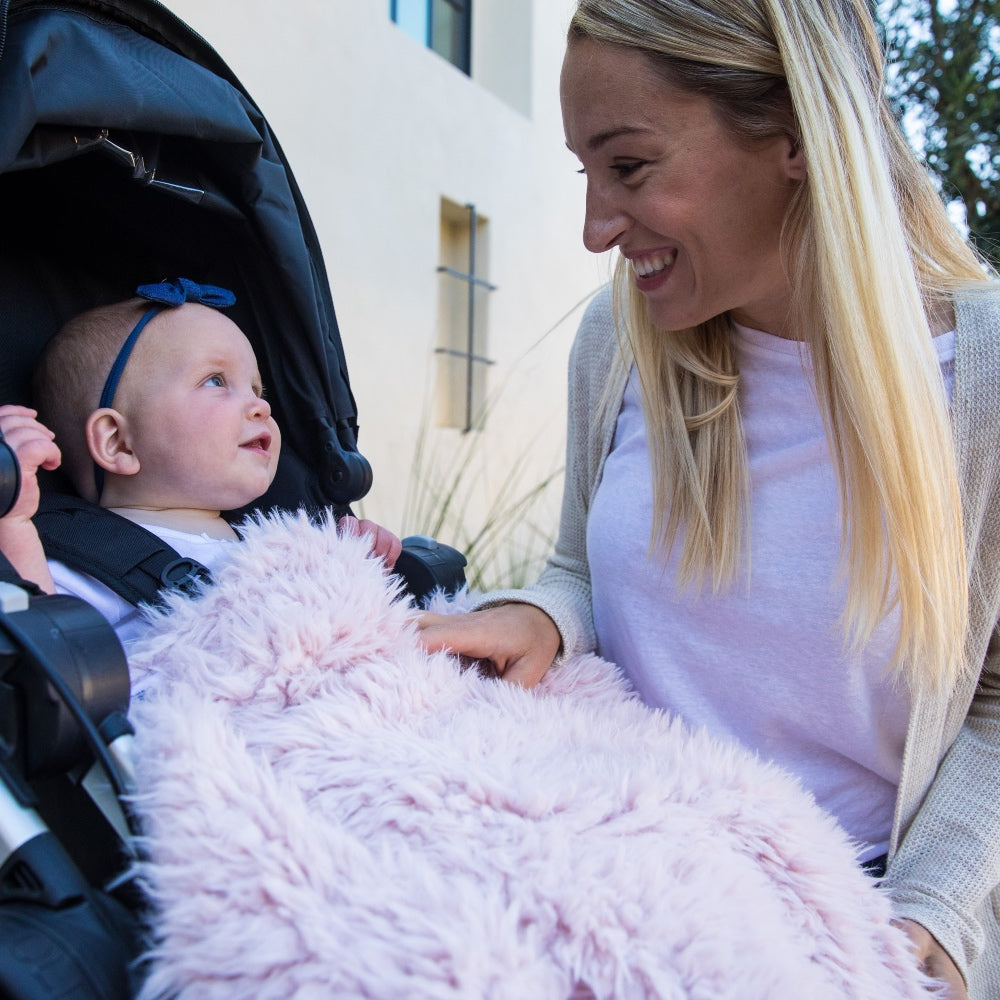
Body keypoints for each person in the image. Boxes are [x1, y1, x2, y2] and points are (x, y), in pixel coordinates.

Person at [418, 1, 1000, 996]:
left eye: (629, 167)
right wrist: (541, 616)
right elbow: (576, 569)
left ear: (793, 136)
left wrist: (927, 928)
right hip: (602, 905)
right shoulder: (616, 345)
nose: (597, 226)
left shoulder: (981, 382)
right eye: (585, 173)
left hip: (846, 938)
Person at [0, 278, 400, 645]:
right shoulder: (93, 559)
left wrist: (350, 563)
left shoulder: (272, 542)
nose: (260, 405)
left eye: (258, 389)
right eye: (216, 381)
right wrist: (12, 521)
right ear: (119, 442)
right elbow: (43, 643)